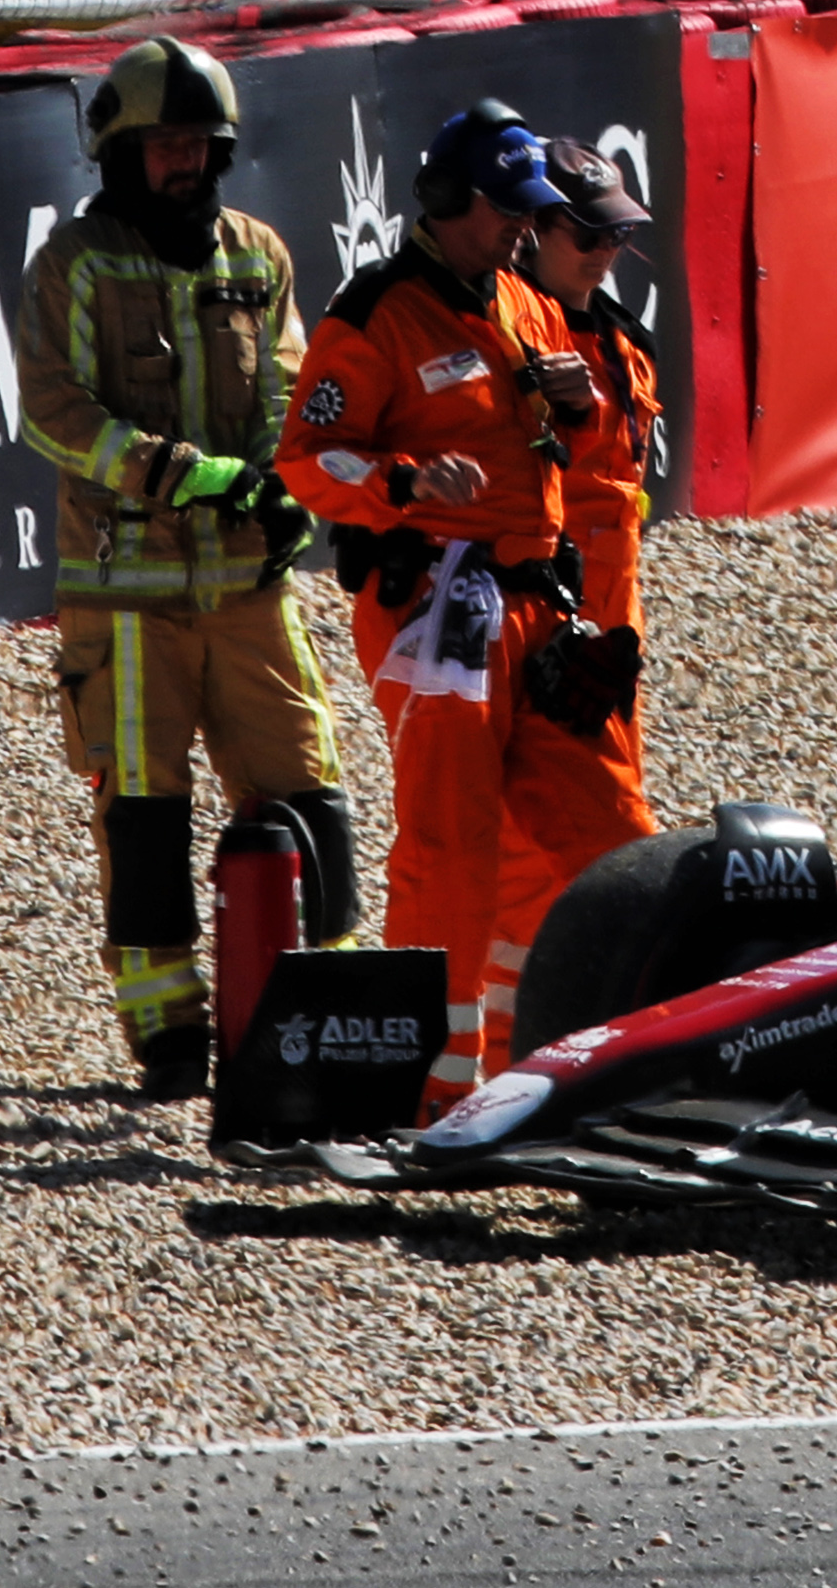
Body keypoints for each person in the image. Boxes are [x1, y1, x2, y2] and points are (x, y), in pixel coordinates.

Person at [14, 42, 355, 1103]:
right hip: (125, 603)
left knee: (310, 788)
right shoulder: (73, 262)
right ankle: (167, 1032)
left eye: (201, 143)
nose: (186, 162)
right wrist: (177, 471)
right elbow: (52, 410)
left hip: (252, 591)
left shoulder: (257, 253)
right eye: (164, 144)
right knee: (145, 816)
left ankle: (332, 1005)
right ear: (118, 154)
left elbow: (292, 387)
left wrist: (292, 485)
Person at [278, 100, 578, 1108]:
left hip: (536, 600)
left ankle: (522, 1052)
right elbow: (306, 459)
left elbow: (552, 439)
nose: (522, 228)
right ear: (449, 202)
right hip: (437, 608)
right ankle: (431, 1088)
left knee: (570, 832)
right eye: (504, 210)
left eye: (527, 212)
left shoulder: (524, 298)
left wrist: (574, 403)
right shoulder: (373, 312)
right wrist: (404, 480)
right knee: (451, 845)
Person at [507, 139, 669, 890]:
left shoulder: (622, 337)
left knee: (598, 807)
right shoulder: (504, 333)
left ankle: (562, 1000)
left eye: (618, 234)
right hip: (549, 613)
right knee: (594, 832)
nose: (605, 250)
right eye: (588, 233)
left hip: (614, 612)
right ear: (534, 227)